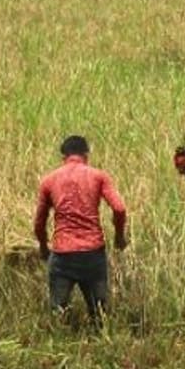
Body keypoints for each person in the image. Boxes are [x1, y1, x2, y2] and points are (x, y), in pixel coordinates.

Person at [34, 135, 128, 326]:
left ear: (63, 156)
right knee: (99, 315)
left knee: (58, 313)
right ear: (86, 155)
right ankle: (100, 346)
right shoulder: (98, 176)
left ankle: (60, 346)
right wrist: (119, 237)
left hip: (62, 254)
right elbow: (119, 209)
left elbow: (39, 222)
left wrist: (44, 248)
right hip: (93, 253)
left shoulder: (49, 180)